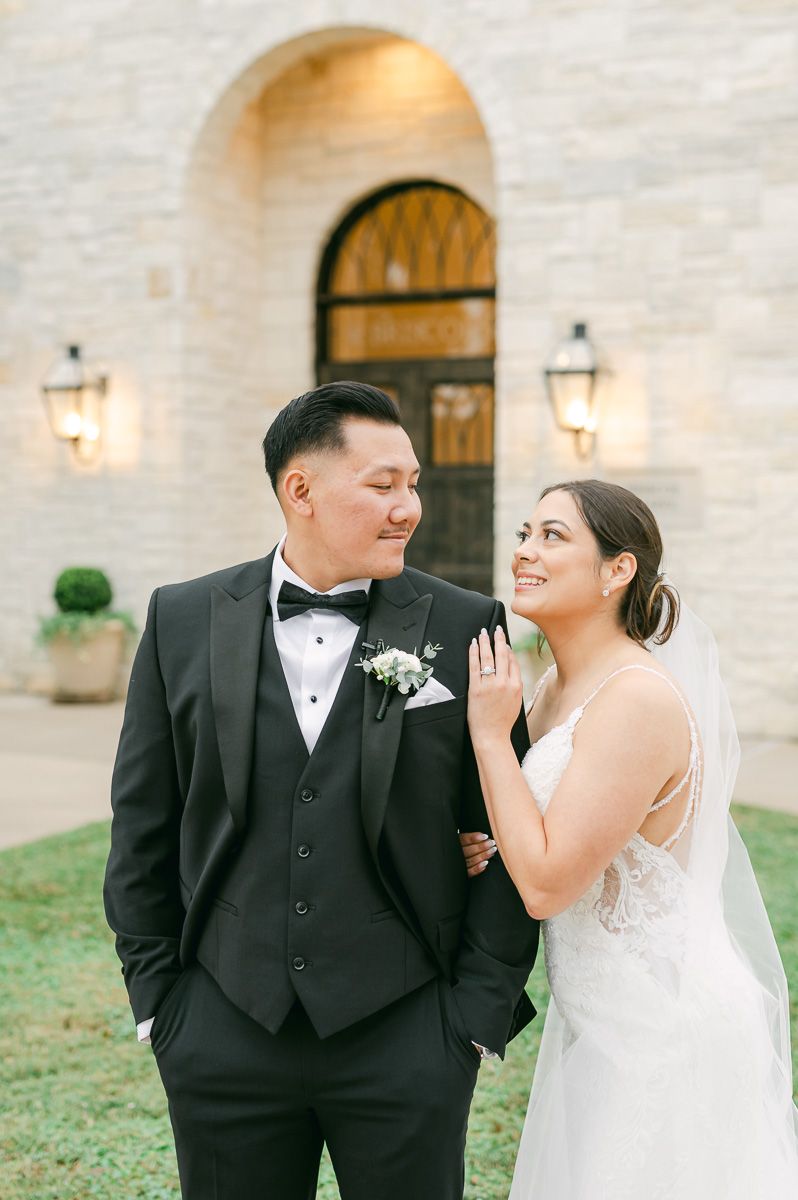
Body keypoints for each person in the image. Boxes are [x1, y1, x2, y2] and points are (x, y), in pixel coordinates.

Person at [103, 381, 539, 1200]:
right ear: (299, 490)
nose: (408, 506)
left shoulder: (464, 623)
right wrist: (160, 1004)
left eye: (412, 483)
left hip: (409, 1037)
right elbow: (141, 826)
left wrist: (473, 1020)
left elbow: (511, 830)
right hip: (223, 1030)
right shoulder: (182, 618)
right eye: (382, 485)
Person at [460, 478, 798, 1198]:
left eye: (554, 537)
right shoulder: (554, 687)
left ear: (618, 570)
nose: (525, 550)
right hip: (601, 1023)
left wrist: (491, 738)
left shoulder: (636, 699)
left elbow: (549, 882)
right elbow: (543, 832)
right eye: (525, 532)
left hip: (663, 1032)